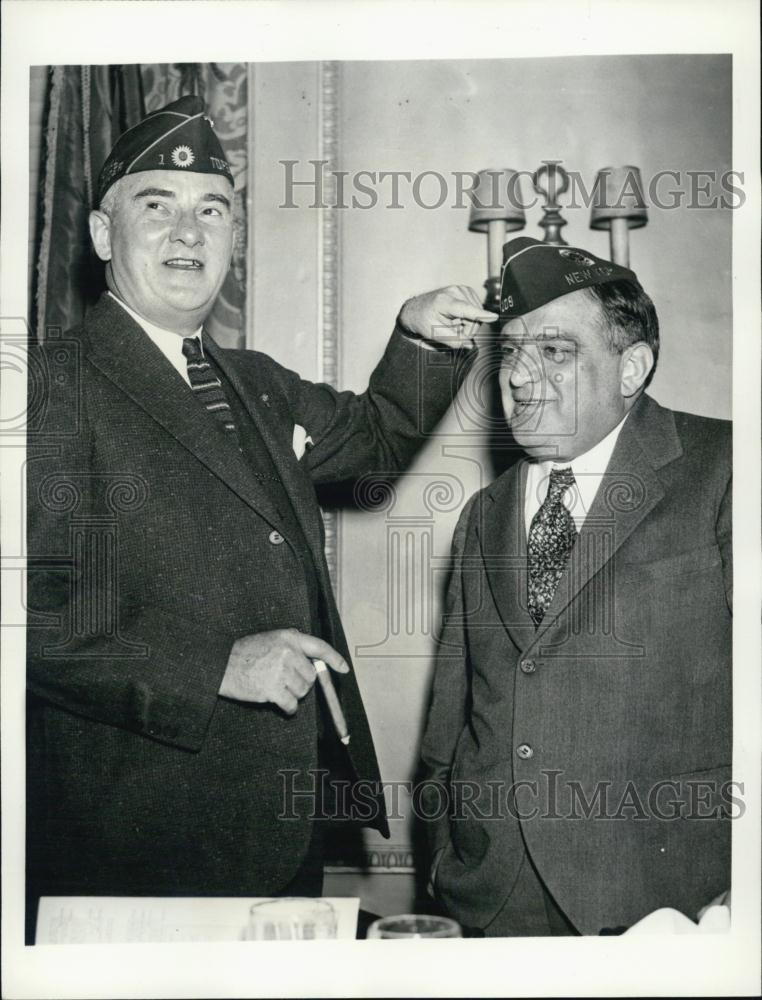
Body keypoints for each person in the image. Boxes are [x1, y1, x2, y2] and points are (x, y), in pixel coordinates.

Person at [25, 95, 496, 936]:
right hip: (129, 849)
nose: (188, 234)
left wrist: (422, 339)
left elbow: (377, 441)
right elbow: (29, 621)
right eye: (156, 207)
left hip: (277, 834)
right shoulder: (46, 386)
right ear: (102, 236)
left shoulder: (257, 380)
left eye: (212, 211)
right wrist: (216, 665)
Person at [420, 236, 732, 936]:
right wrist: (446, 860)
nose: (521, 378)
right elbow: (448, 725)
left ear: (633, 368)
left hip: (668, 905)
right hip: (493, 899)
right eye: (510, 353)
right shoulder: (483, 514)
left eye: (556, 352)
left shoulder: (727, 469)